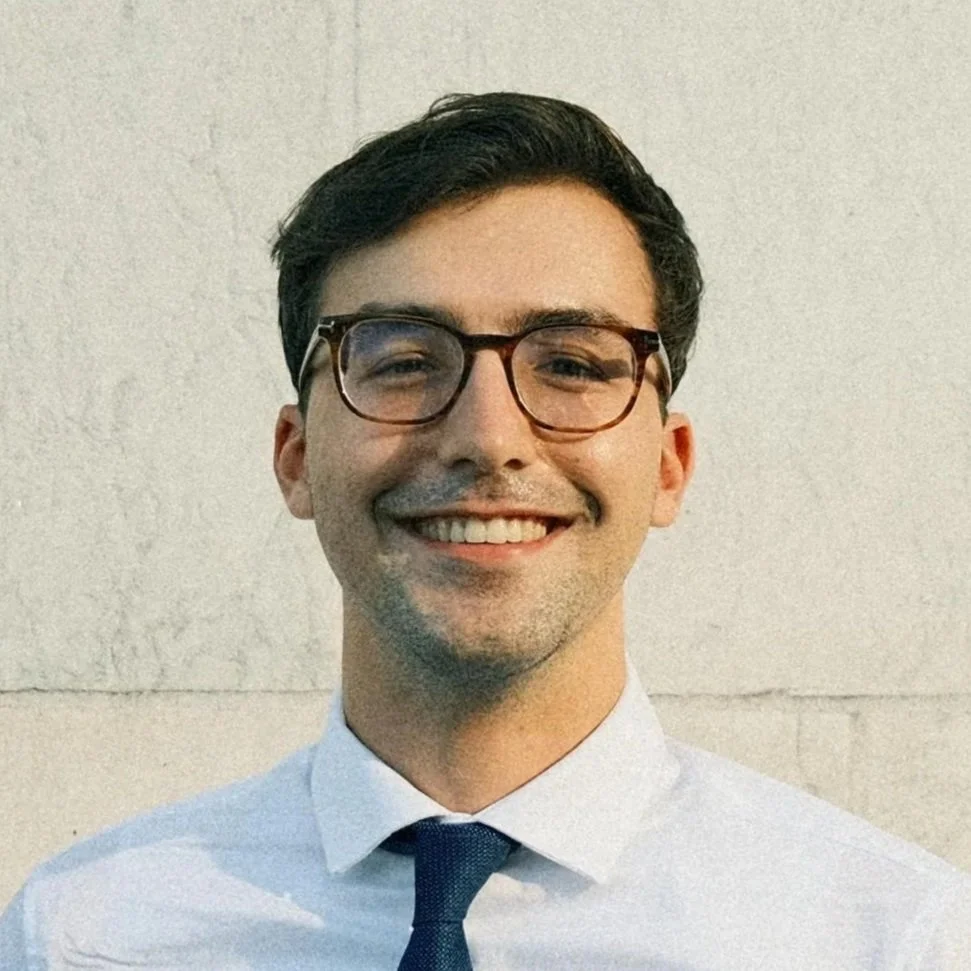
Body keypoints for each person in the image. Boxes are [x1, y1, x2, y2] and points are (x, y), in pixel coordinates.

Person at [2, 92, 968, 969]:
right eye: (405, 359)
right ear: (296, 455)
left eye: (574, 365)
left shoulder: (882, 937)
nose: (488, 436)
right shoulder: (90, 933)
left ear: (668, 464)